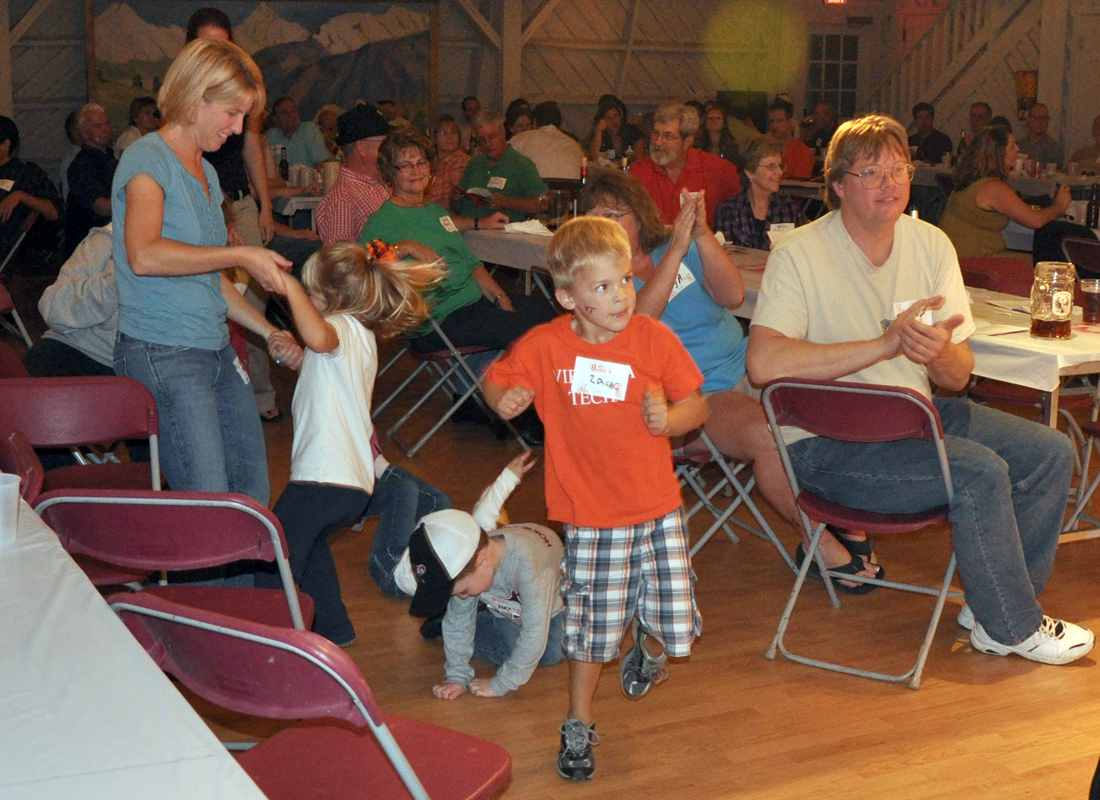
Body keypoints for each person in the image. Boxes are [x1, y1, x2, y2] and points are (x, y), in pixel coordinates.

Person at [746, 112, 1094, 667]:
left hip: (913, 418)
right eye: (871, 172)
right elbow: (763, 363)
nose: (890, 183)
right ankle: (1013, 625)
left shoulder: (930, 244)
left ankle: (995, 609)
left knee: (1049, 452)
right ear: (837, 185)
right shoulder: (800, 252)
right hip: (823, 443)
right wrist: (883, 347)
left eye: (899, 169)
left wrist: (942, 353)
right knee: (979, 473)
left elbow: (957, 378)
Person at [484, 217, 708, 781]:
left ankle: (651, 655)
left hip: (658, 508)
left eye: (625, 282)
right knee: (592, 628)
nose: (621, 297)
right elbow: (498, 377)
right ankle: (578, 722)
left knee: (674, 623)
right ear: (567, 298)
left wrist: (672, 417)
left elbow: (698, 405)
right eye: (602, 288)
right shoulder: (547, 345)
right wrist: (502, 399)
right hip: (592, 517)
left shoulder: (653, 339)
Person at [583, 168, 877, 589]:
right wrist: (675, 252)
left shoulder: (676, 244)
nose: (607, 225)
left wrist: (700, 234)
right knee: (768, 435)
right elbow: (636, 326)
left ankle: (850, 522)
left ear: (639, 214)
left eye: (616, 214)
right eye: (598, 217)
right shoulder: (598, 275)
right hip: (695, 398)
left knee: (834, 399)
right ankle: (818, 541)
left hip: (746, 365)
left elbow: (733, 296)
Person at [111, 37, 300, 504]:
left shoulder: (207, 172)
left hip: (213, 348)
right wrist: (240, 255)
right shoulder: (147, 159)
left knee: (249, 493)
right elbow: (144, 255)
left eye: (245, 117)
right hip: (164, 351)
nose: (238, 130)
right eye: (232, 113)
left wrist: (269, 331)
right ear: (196, 98)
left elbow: (208, 278)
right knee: (209, 501)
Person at [256, 241, 444, 646]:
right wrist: (300, 358)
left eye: (309, 292)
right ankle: (334, 629)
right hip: (351, 486)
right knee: (313, 548)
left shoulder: (338, 327)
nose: (304, 298)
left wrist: (287, 285)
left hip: (322, 478)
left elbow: (321, 339)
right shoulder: (361, 336)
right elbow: (326, 366)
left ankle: (267, 639)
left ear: (331, 297)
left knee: (274, 555)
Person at [360, 129, 553, 359]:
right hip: (437, 320)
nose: (416, 171)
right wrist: (406, 247)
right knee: (533, 335)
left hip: (474, 302)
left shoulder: (435, 212)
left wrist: (501, 298)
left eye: (421, 162)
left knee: (549, 315)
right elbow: (366, 267)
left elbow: (471, 264)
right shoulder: (383, 219)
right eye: (406, 165)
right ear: (390, 174)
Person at [395, 452, 565, 699]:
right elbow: (458, 620)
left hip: (551, 608)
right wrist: (456, 675)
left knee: (549, 652)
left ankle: (475, 622)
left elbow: (533, 634)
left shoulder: (528, 569)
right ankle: (475, 618)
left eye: (462, 591)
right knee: (461, 617)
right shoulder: (469, 565)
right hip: (509, 606)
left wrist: (501, 683)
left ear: (482, 561)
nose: (463, 596)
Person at [939, 125, 1071, 260]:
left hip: (959, 255)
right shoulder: (992, 187)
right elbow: (1035, 221)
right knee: (1048, 264)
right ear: (998, 153)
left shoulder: (971, 179)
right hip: (975, 260)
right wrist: (1059, 206)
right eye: (1012, 147)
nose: (1018, 149)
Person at [629, 102, 742, 228]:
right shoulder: (638, 172)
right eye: (655, 133)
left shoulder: (719, 170)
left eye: (668, 136)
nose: (658, 142)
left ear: (687, 142)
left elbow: (739, 216)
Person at [316, 104, 392, 244]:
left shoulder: (381, 183)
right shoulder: (343, 199)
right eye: (383, 143)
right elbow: (341, 260)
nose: (390, 149)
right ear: (361, 147)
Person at [715, 138, 807, 251]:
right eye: (771, 166)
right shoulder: (728, 211)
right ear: (750, 172)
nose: (779, 172)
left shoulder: (791, 210)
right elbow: (722, 256)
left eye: (780, 166)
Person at [458, 110, 548, 223]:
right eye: (482, 140)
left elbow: (543, 203)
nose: (488, 143)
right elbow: (458, 206)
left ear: (503, 132)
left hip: (501, 233)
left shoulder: (521, 164)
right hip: (468, 228)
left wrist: (508, 203)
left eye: (492, 137)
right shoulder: (474, 163)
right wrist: (456, 198)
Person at [0, 115, 61, 257]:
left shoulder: (27, 173)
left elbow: (54, 213)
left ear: (5, 144)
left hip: (20, 258)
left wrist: (20, 196)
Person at [66, 103, 116, 257]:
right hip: (92, 249)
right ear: (84, 132)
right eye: (98, 126)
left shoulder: (111, 158)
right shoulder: (81, 166)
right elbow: (101, 207)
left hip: (111, 240)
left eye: (106, 123)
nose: (105, 129)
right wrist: (140, 202)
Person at [509, 101, 585, 181]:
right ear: (560, 121)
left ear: (534, 122)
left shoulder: (521, 138)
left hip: (537, 191)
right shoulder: (573, 143)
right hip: (571, 190)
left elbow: (501, 163)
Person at [266, 97, 329, 170]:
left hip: (308, 180)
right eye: (284, 112)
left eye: (293, 111)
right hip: (278, 180)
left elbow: (320, 164)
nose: (290, 115)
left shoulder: (309, 130)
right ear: (276, 119)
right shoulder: (270, 136)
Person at [427, 113, 470, 210]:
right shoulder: (429, 162)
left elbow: (453, 202)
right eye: (444, 133)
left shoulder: (462, 161)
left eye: (453, 132)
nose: (449, 137)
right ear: (435, 137)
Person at [586, 94, 645, 162]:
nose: (614, 121)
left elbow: (640, 160)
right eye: (609, 118)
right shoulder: (602, 137)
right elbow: (595, 158)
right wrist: (598, 131)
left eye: (616, 116)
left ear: (621, 117)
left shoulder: (633, 133)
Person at [766, 99, 814, 180]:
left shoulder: (802, 152)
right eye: (771, 121)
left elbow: (798, 187)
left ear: (790, 121)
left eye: (779, 120)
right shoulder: (763, 150)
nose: (774, 125)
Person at [1019, 103, 1064, 168]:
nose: (1041, 122)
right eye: (1037, 118)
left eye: (1045, 118)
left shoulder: (1054, 148)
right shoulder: (1019, 145)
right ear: (1028, 119)